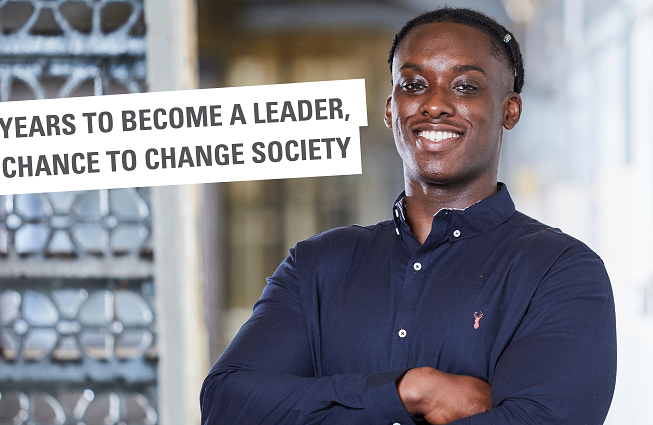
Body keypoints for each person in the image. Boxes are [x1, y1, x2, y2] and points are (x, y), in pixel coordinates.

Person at [200, 7, 616, 424]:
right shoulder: (318, 265)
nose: (435, 104)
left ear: (510, 110)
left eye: (466, 86)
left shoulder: (559, 272)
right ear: (390, 110)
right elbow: (226, 405)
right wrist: (409, 392)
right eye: (414, 84)